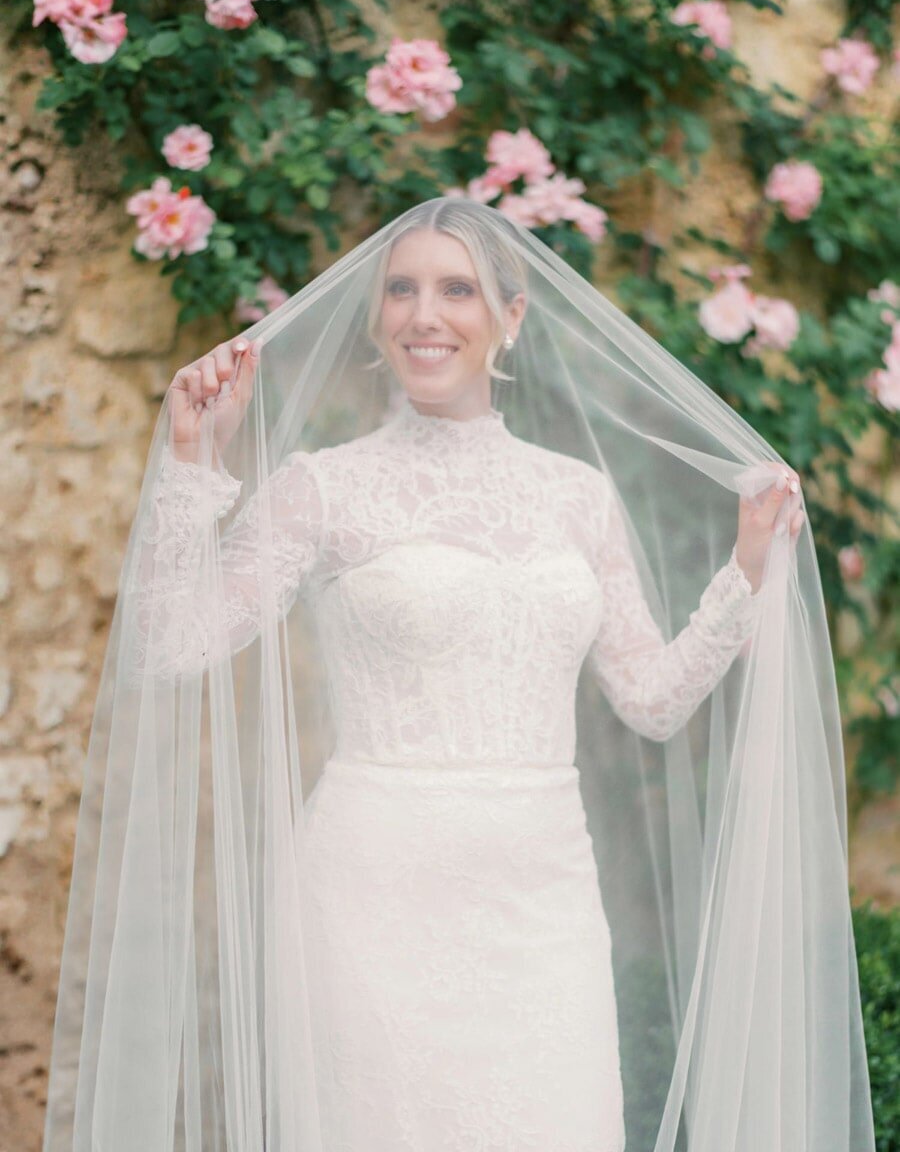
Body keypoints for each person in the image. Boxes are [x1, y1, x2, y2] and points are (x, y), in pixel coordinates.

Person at [42, 199, 874, 1152]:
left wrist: (744, 576)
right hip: (371, 897)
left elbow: (650, 700)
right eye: (401, 289)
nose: (423, 314)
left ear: (511, 318)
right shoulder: (326, 487)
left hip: (544, 902)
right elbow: (167, 645)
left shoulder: (578, 496)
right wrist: (196, 461)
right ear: (375, 319)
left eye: (455, 289)